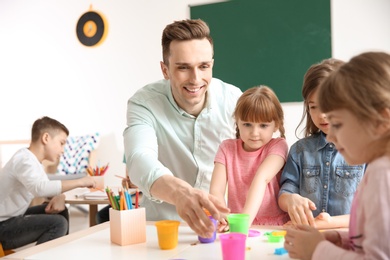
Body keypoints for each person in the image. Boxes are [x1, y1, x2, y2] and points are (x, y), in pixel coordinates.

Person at [123, 19, 242, 238]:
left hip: (223, 230)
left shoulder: (235, 101)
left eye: (204, 66)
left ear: (212, 64)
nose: (196, 79)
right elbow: (139, 159)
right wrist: (180, 193)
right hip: (162, 232)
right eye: (183, 67)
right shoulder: (144, 103)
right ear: (165, 69)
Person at [284, 51, 390, 259]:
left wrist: (318, 250)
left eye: (338, 124)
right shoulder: (379, 168)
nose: (330, 136)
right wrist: (342, 239)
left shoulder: (382, 174)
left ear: (380, 122)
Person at [278, 58, 365, 229]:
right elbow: (286, 191)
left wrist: (328, 223)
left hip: (351, 240)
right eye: (313, 107)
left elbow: (373, 214)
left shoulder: (364, 150)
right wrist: (291, 200)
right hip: (309, 238)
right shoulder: (300, 150)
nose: (321, 115)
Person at [0, 116, 96, 250]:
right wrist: (80, 181)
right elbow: (40, 188)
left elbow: (48, 190)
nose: (63, 150)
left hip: (12, 219)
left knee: (60, 212)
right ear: (46, 138)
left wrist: (60, 197)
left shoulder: (33, 162)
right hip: (2, 226)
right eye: (62, 143)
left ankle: (58, 255)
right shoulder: (24, 160)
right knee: (58, 223)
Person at [209, 86, 289, 231]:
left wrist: (243, 223)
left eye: (263, 125)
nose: (254, 133)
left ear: (276, 125)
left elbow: (262, 178)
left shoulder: (278, 146)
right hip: (238, 225)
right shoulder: (227, 148)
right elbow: (216, 190)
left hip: (273, 227)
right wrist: (222, 216)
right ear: (237, 122)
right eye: (247, 124)